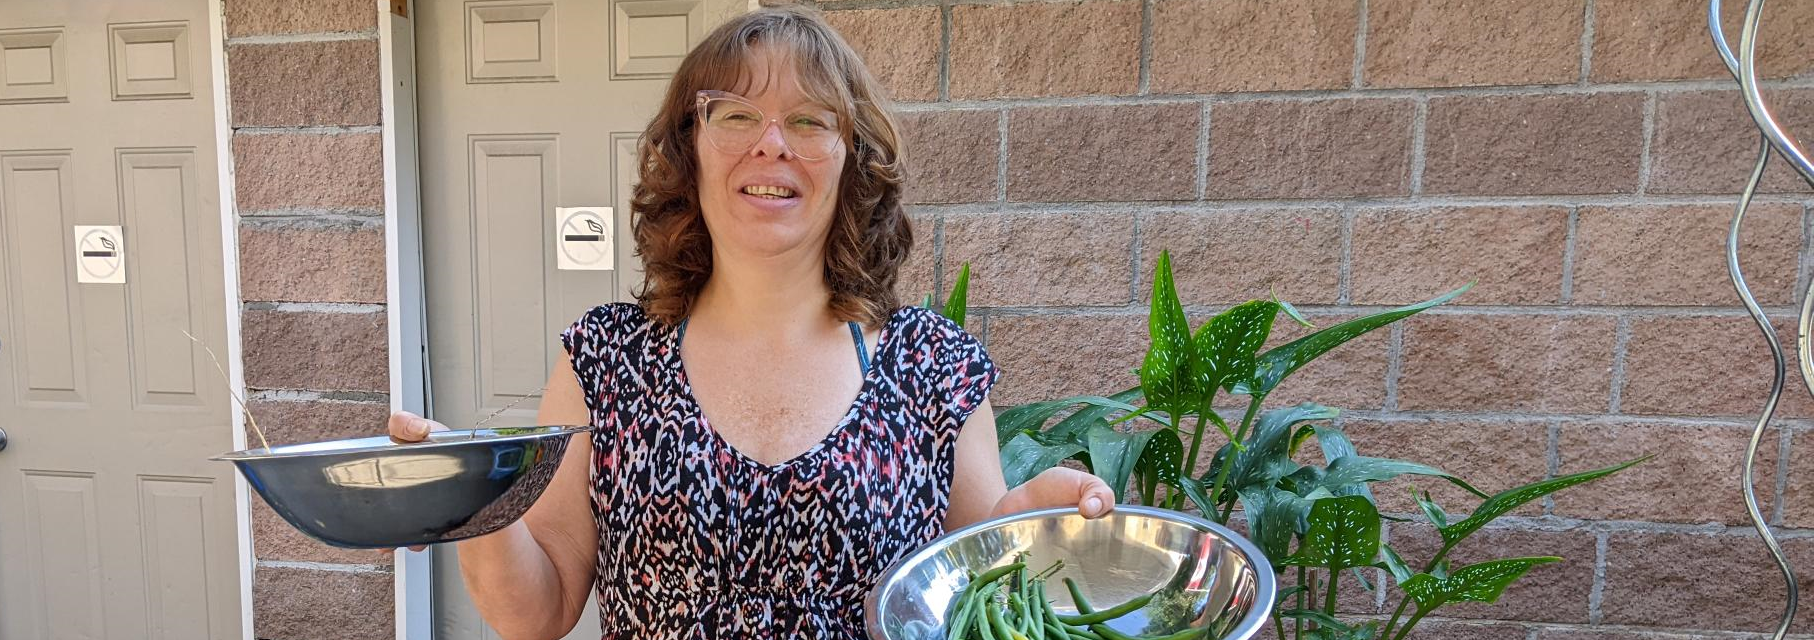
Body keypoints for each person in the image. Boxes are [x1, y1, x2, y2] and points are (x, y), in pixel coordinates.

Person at [387, 5, 1115, 637]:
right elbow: (535, 613)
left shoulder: (935, 366)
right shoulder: (606, 358)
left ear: (850, 160)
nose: (773, 142)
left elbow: (973, 593)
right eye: (735, 115)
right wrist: (475, 504)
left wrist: (1024, 530)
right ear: (689, 149)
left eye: (810, 119)